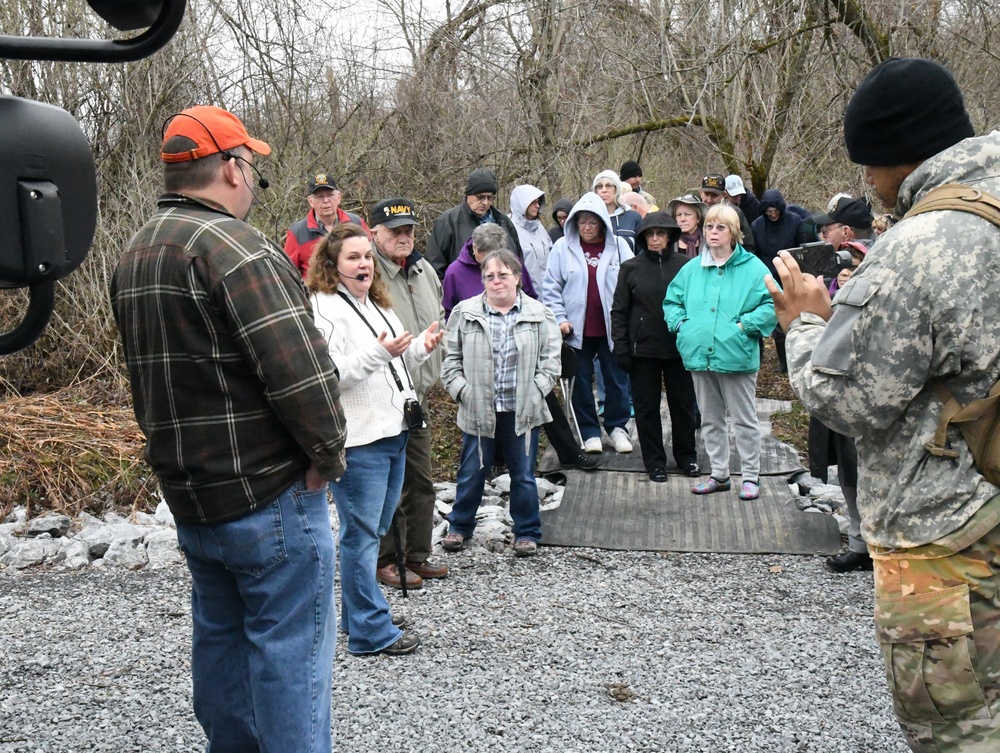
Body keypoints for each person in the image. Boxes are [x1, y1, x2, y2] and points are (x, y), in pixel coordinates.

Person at [766, 57, 1000, 751]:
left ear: (902, 151)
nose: (868, 181)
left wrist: (806, 321)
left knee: (958, 728)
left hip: (943, 539)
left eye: (871, 164)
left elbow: (847, 401)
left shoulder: (919, 247)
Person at [110, 105, 347, 752]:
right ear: (235, 168)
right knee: (290, 661)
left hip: (193, 499)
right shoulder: (239, 249)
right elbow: (301, 375)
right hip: (269, 498)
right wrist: (327, 455)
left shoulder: (135, 253)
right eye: (253, 168)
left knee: (221, 648)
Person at [308, 223, 443, 655]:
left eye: (367, 256)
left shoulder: (377, 304)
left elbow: (392, 362)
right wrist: (380, 353)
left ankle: (357, 615)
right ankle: (369, 630)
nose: (364, 263)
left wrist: (420, 346)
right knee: (361, 535)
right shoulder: (325, 307)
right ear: (332, 265)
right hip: (360, 440)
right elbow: (332, 375)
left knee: (375, 529)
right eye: (353, 257)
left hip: (395, 432)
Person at [443, 224, 598, 471]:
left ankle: (568, 452)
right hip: (479, 353)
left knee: (544, 400)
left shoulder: (511, 264)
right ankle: (494, 462)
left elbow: (530, 296)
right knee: (488, 412)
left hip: (521, 348)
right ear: (476, 251)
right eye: (489, 255)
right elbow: (450, 312)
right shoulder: (455, 272)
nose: (496, 264)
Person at [440, 250, 562, 557]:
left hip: (522, 409)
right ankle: (459, 527)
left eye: (503, 275)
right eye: (490, 276)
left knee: (523, 474)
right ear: (483, 280)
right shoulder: (465, 313)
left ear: (518, 278)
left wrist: (536, 391)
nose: (497, 282)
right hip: (477, 409)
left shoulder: (539, 314)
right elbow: (450, 361)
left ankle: (527, 532)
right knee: (471, 471)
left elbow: (551, 364)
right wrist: (463, 392)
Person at [664, 204, 777, 501]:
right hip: (700, 355)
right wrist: (682, 326)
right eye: (710, 227)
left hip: (736, 355)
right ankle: (719, 474)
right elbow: (672, 302)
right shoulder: (691, 269)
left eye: (720, 227)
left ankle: (751, 476)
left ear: (734, 233)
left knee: (744, 419)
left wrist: (745, 326)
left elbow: (772, 303)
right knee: (711, 418)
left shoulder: (753, 268)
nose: (713, 232)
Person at [368, 198, 451, 591]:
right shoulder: (366, 274)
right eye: (394, 230)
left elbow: (438, 320)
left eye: (409, 230)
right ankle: (385, 559)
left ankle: (415, 554)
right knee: (387, 483)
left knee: (420, 480)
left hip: (417, 394)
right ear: (374, 233)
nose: (404, 237)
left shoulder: (424, 270)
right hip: (380, 393)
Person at [543, 192, 635, 454]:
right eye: (582, 222)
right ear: (573, 223)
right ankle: (589, 431)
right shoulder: (562, 247)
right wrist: (560, 319)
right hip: (576, 330)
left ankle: (618, 428)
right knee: (580, 381)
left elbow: (632, 285)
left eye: (593, 223)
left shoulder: (619, 246)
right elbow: (550, 288)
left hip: (611, 328)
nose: (587, 228)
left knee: (616, 379)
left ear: (603, 223)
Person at [611, 211, 699, 482]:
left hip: (678, 348)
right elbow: (619, 310)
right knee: (646, 408)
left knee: (683, 406)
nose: (655, 238)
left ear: (671, 236)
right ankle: (654, 462)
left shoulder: (687, 266)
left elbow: (695, 306)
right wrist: (621, 347)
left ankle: (687, 457)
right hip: (643, 350)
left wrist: (696, 341)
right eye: (650, 234)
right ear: (642, 238)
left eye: (661, 233)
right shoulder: (631, 268)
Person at [424, 167, 522, 278]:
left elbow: (517, 261)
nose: (485, 202)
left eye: (489, 198)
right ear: (468, 194)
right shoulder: (449, 222)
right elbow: (434, 267)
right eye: (480, 197)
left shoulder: (503, 221)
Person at [284, 171, 370, 277]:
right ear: (310, 201)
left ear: (338, 197)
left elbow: (372, 258)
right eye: (320, 197)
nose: (326, 201)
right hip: (317, 291)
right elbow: (287, 274)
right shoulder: (297, 233)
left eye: (330, 195)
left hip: (355, 290)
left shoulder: (357, 222)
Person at [442, 224, 537, 319]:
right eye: (485, 255)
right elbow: (447, 313)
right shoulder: (454, 272)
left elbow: (529, 297)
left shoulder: (512, 262)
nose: (489, 260)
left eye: (494, 254)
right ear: (475, 248)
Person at [510, 184, 554, 285]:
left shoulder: (539, 227)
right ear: (522, 204)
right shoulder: (511, 229)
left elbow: (552, 256)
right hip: (525, 293)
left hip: (547, 292)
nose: (537, 206)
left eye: (538, 202)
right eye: (533, 202)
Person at [700, 174, 755, 252]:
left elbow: (748, 245)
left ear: (724, 195)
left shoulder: (735, 213)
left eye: (714, 196)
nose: (709, 200)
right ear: (700, 192)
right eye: (706, 194)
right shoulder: (693, 212)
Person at [593, 170, 642, 250]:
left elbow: (641, 251)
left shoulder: (632, 217)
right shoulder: (590, 218)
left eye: (609, 185)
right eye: (599, 186)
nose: (604, 190)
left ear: (617, 189)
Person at [666, 193, 707, 258]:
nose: (682, 219)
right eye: (679, 215)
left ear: (698, 218)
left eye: (687, 214)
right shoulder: (669, 241)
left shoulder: (708, 240)